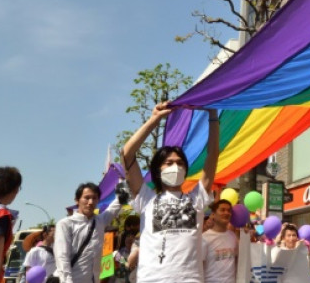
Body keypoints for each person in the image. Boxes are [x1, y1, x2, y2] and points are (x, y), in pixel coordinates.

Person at [121, 102, 220, 283]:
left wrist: (213, 115)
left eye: (180, 163)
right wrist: (154, 120)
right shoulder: (145, 198)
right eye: (169, 163)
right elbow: (127, 154)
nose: (175, 166)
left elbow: (213, 155)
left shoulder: (196, 198)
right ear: (158, 170)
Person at [54, 182, 122, 283]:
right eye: (86, 198)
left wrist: (124, 183)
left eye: (94, 198)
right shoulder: (65, 224)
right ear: (77, 200)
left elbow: (116, 206)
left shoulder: (100, 221)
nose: (90, 202)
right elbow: (62, 257)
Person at [202, 199, 237, 283]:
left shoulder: (233, 237)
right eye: (222, 210)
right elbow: (199, 267)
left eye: (229, 211)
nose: (226, 213)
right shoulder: (204, 238)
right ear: (213, 214)